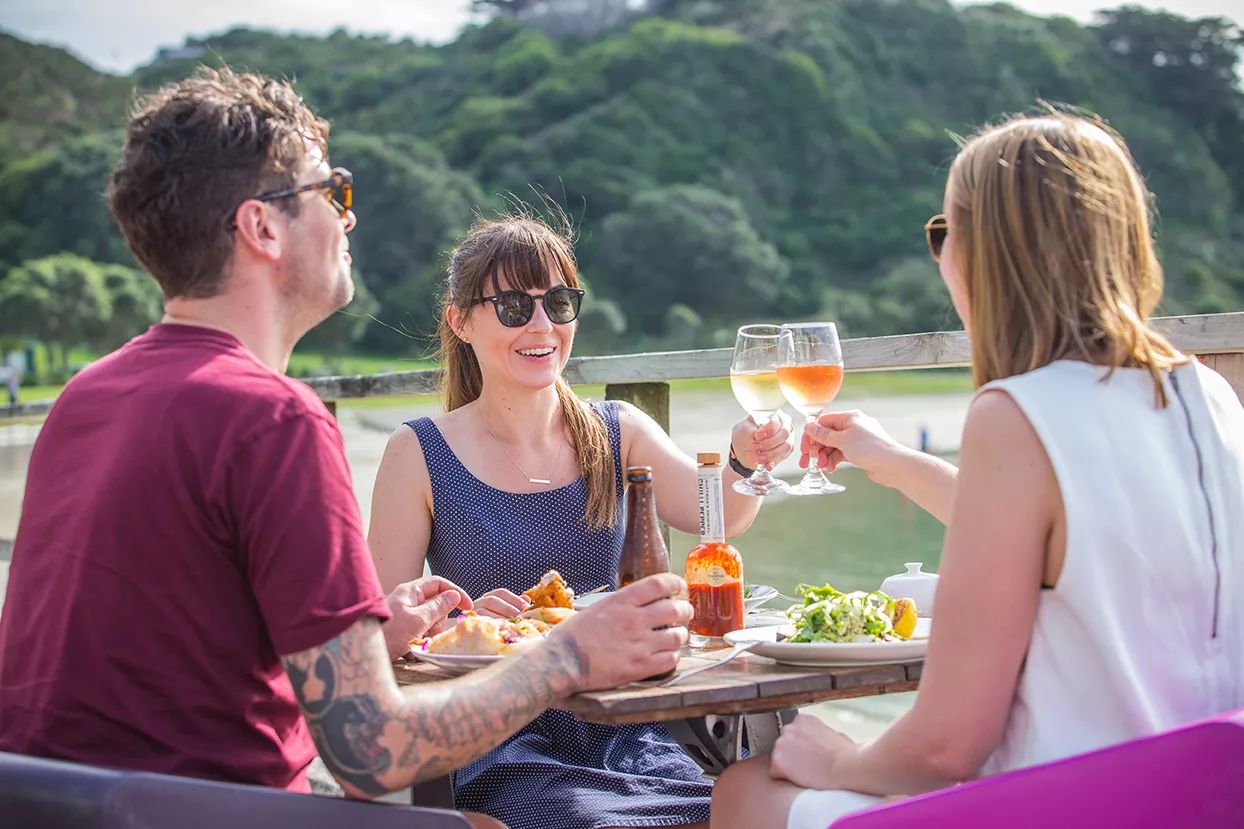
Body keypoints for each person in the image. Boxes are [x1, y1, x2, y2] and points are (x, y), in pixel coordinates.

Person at [0, 67, 695, 823]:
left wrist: (370, 634)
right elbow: (373, 756)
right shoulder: (273, 419)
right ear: (262, 227)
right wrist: (568, 652)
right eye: (330, 192)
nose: (347, 219)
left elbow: (170, 654)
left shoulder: (86, 397)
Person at [710, 112, 1244, 828]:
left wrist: (839, 759)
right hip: (1200, 794)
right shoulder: (1203, 392)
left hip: (1067, 804)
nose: (941, 256)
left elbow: (945, 744)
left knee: (743, 786)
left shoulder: (1015, 412)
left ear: (991, 251)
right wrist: (892, 460)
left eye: (944, 233)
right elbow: (1072, 537)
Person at [367, 212, 795, 829]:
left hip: (626, 730)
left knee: (735, 810)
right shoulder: (419, 451)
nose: (542, 325)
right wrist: (462, 623)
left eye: (559, 303)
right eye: (514, 306)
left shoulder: (616, 430)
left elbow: (717, 516)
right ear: (460, 322)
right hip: (495, 739)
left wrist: (742, 460)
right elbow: (384, 630)